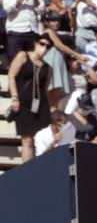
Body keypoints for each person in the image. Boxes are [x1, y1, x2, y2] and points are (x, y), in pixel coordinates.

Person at [7, 34, 51, 162]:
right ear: (35, 43)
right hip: (23, 104)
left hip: (40, 106)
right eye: (42, 44)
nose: (44, 48)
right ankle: (28, 173)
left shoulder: (48, 68)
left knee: (41, 139)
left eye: (48, 46)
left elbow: (45, 88)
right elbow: (11, 76)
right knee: (27, 140)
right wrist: (14, 97)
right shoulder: (23, 55)